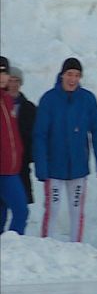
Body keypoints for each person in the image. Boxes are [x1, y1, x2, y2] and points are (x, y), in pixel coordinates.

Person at [34, 57, 97, 242]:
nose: (72, 79)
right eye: (69, 74)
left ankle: (77, 247)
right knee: (53, 209)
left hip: (78, 168)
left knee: (76, 211)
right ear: (62, 75)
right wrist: (41, 167)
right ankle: (45, 247)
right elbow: (39, 135)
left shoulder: (87, 99)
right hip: (54, 169)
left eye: (76, 75)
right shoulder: (49, 99)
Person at [0, 56, 29, 234]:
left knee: (3, 214)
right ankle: (13, 250)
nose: (2, 77)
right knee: (21, 211)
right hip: (3, 170)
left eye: (5, 72)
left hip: (11, 168)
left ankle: (7, 256)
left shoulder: (7, 99)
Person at [6, 67, 37, 205]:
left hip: (22, 165)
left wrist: (30, 156)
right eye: (10, 80)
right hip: (3, 165)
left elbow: (35, 135)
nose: (13, 84)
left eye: (17, 81)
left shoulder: (29, 108)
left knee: (21, 208)